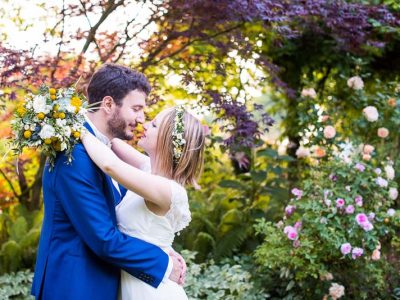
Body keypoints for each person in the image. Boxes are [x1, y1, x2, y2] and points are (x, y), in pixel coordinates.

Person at [32, 63, 185, 300]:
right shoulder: (75, 154)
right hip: (75, 287)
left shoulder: (102, 149)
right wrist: (164, 263)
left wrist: (163, 246)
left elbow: (127, 221)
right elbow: (103, 238)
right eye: (136, 108)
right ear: (108, 104)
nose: (141, 119)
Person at [80, 105, 205, 299]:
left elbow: (110, 165)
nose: (145, 125)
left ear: (167, 141)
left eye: (154, 125)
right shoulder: (148, 168)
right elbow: (112, 142)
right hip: (136, 278)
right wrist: (90, 113)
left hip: (150, 290)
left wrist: (76, 128)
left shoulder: (167, 190)